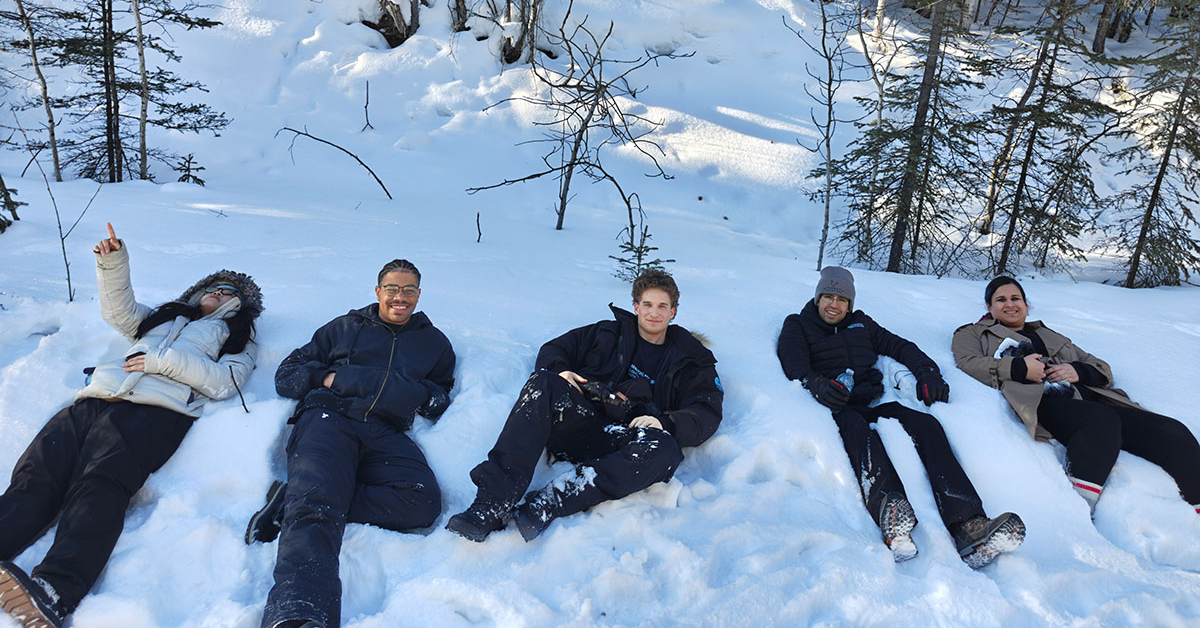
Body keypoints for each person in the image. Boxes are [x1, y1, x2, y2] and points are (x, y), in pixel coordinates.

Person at [0, 223, 262, 628]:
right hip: (97, 398)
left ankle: (54, 590)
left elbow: (225, 383)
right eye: (214, 286)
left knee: (101, 484)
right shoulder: (163, 318)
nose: (220, 293)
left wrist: (162, 363)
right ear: (197, 291)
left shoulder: (238, 335)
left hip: (156, 411)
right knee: (36, 476)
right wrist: (112, 262)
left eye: (230, 292)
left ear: (239, 305)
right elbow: (118, 310)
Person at [248, 259, 455, 628]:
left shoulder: (434, 343)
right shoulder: (343, 328)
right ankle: (299, 611)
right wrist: (331, 378)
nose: (400, 297)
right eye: (392, 288)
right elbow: (287, 376)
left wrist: (404, 393)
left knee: (422, 502)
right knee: (316, 507)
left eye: (409, 290)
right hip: (330, 418)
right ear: (378, 292)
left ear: (419, 295)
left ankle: (295, 496)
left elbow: (439, 398)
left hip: (386, 429)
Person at [446, 269, 722, 543]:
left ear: (673, 311)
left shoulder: (691, 360)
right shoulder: (607, 333)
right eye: (647, 304)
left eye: (662, 306)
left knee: (664, 449)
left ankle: (549, 501)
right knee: (543, 382)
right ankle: (490, 505)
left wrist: (666, 422)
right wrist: (561, 371)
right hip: (580, 422)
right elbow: (554, 349)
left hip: (623, 443)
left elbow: (706, 410)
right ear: (636, 306)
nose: (654, 313)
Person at [777, 267, 1024, 569]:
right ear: (817, 298)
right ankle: (890, 515)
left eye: (841, 299)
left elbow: (900, 346)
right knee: (857, 429)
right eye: (827, 296)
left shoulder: (861, 324)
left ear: (850, 304)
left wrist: (927, 372)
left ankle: (969, 526)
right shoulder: (799, 324)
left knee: (926, 424)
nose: (834, 304)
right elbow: (794, 363)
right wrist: (817, 385)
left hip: (871, 400)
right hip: (835, 406)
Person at [952, 276, 1200, 516]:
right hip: (1042, 401)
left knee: (1172, 431)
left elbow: (1101, 368)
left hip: (1088, 400)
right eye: (1001, 299)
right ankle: (1081, 508)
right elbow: (967, 362)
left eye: (1016, 298)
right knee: (1100, 420)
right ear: (989, 307)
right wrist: (1019, 368)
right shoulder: (973, 333)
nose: (1010, 304)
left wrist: (1077, 370)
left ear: (1026, 305)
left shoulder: (1050, 335)